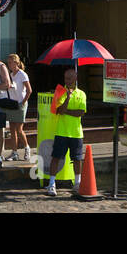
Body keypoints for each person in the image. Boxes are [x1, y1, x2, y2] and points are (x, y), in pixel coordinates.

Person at [46, 67, 88, 196]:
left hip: (76, 132)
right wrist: (68, 98)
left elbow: (80, 113)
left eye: (70, 78)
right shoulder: (59, 91)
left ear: (75, 78)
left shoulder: (81, 94)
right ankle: (52, 184)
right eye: (66, 78)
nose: (67, 81)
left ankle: (77, 183)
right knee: (56, 157)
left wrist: (67, 111)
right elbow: (59, 111)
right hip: (62, 131)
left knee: (77, 159)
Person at [4, 53, 32, 161]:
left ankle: (27, 148)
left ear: (16, 63)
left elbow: (29, 90)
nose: (9, 65)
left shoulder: (22, 74)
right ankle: (14, 152)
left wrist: (23, 102)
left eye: (10, 62)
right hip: (12, 103)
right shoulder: (10, 75)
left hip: (21, 103)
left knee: (19, 129)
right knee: (12, 129)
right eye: (8, 63)